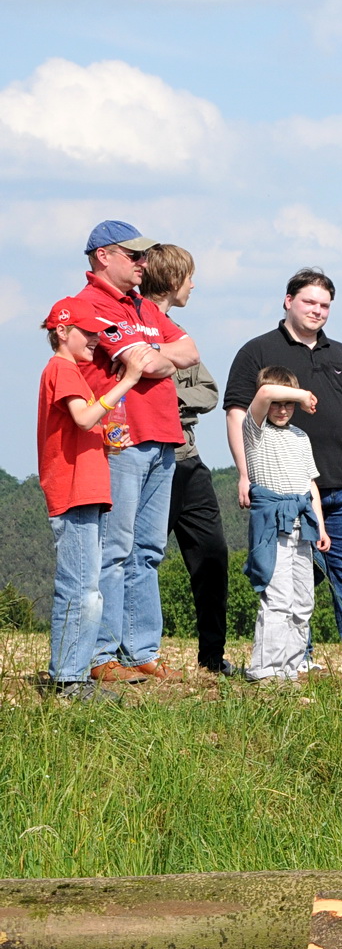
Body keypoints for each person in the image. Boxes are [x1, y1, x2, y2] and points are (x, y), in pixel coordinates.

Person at [223, 269, 342, 671]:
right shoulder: (257, 351)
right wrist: (245, 475)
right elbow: (237, 414)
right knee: (295, 576)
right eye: (310, 302)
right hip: (284, 490)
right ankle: (299, 656)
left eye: (325, 305)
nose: (318, 311)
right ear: (288, 301)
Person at [74, 220, 201, 683]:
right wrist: (155, 352)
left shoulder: (145, 306)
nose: (144, 263)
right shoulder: (88, 305)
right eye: (135, 255)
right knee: (115, 547)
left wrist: (153, 352)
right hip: (121, 439)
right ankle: (103, 653)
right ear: (103, 256)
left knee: (147, 549)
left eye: (145, 256)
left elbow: (189, 352)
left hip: (164, 436)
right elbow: (143, 364)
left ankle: (141, 649)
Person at [36, 298, 145, 700]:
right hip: (74, 490)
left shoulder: (71, 371)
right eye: (88, 332)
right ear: (62, 331)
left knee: (88, 587)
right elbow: (82, 416)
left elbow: (82, 426)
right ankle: (68, 680)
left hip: (88, 487)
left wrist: (106, 439)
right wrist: (129, 379)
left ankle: (73, 674)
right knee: (80, 588)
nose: (96, 339)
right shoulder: (62, 368)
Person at [141, 243, 232, 676]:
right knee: (142, 557)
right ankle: (137, 655)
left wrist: (167, 396)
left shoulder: (178, 336)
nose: (193, 285)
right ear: (174, 280)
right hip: (148, 460)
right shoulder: (133, 329)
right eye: (189, 277)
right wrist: (170, 399)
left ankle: (212, 658)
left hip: (188, 460)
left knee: (212, 556)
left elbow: (209, 392)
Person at [240, 369, 330, 681]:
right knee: (277, 599)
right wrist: (302, 395)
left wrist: (320, 526)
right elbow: (264, 394)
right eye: (279, 403)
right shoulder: (255, 430)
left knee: (303, 600)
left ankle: (290, 667)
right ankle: (265, 668)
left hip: (301, 524)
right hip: (272, 524)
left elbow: (310, 485)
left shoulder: (300, 437)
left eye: (287, 404)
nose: (281, 409)